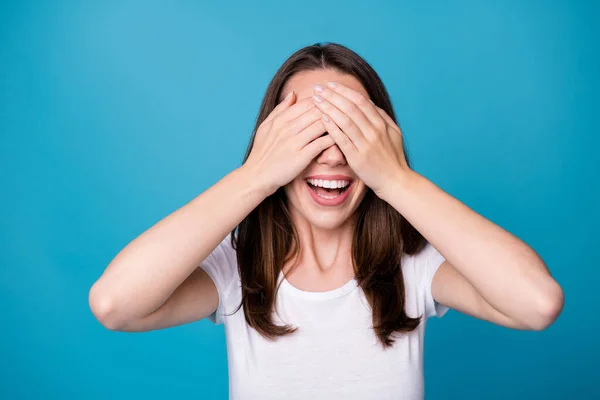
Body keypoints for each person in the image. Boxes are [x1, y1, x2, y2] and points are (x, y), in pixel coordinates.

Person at [88, 42, 564, 399]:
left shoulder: (415, 265)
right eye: (307, 134)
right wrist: (255, 176)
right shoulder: (236, 267)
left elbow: (537, 303)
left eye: (349, 132)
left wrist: (395, 179)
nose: (332, 154)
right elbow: (114, 304)